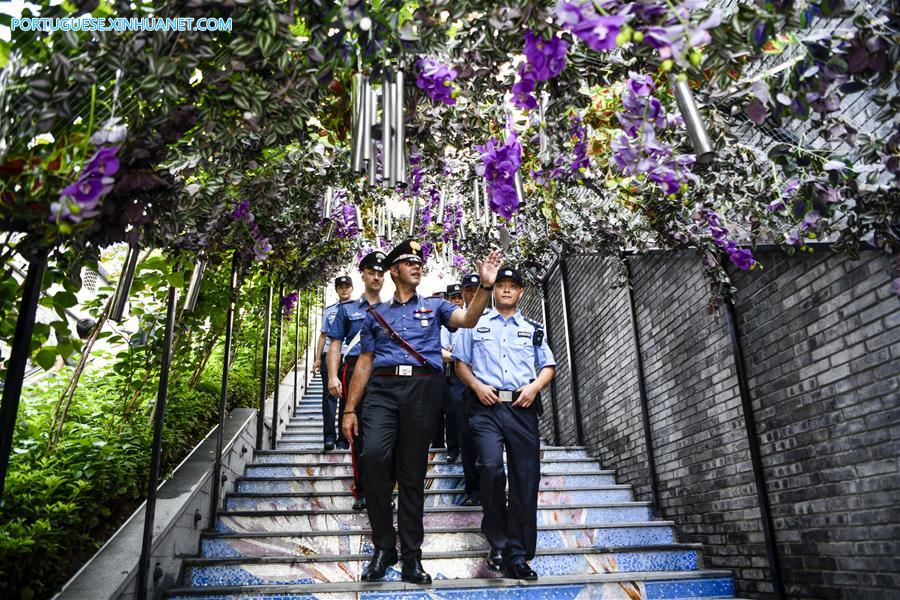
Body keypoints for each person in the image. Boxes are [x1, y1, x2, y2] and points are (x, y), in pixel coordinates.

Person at [341, 239, 501, 585]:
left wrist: (486, 287)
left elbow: (468, 319)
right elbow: (364, 364)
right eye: (409, 262)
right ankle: (384, 546)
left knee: (412, 473)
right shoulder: (375, 315)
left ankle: (412, 555)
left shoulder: (437, 306)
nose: (417, 266)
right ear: (394, 270)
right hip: (382, 390)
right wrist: (350, 409)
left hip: (422, 391)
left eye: (419, 262)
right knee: (373, 457)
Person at [452, 266, 556, 581]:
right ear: (494, 290)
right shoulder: (475, 323)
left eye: (513, 285)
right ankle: (498, 543)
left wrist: (534, 387)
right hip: (487, 407)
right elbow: (460, 364)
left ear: (521, 292)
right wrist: (476, 387)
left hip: (522, 408)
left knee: (526, 479)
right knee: (491, 467)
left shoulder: (533, 328)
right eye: (501, 285)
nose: (507, 289)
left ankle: (519, 556)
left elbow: (548, 365)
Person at [326, 251, 386, 512]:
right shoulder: (347, 309)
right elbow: (335, 344)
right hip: (353, 372)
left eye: (380, 273)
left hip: (383, 374)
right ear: (363, 275)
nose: (376, 277)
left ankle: (384, 490)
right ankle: (362, 491)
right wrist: (332, 376)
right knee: (358, 433)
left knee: (384, 435)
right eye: (372, 272)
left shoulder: (391, 309)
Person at [443, 280, 481, 506]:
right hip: (460, 380)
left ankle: (493, 488)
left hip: (488, 379)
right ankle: (474, 490)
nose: (472, 294)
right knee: (466, 434)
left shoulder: (495, 316)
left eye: (477, 290)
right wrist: (459, 357)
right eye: (468, 291)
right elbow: (441, 349)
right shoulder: (452, 321)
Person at [313, 276, 353, 451]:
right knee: (329, 397)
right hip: (329, 358)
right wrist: (317, 359)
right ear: (336, 290)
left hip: (348, 357)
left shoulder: (358, 309)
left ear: (352, 288)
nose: (344, 289)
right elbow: (323, 335)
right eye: (340, 287)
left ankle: (343, 439)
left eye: (347, 286)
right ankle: (329, 438)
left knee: (346, 397)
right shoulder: (329, 311)